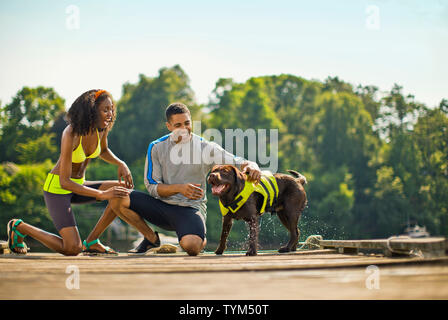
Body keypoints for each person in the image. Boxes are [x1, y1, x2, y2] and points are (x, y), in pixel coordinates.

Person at [110, 102, 261, 256]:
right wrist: (180, 188)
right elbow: (152, 186)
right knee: (117, 197)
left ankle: (198, 236)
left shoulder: (205, 147)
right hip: (160, 206)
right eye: (178, 125)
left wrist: (252, 165)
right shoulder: (156, 147)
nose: (184, 128)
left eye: (187, 123)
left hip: (190, 209)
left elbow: (237, 161)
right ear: (168, 126)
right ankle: (150, 238)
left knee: (192, 247)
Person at [7, 89, 133, 256]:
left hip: (79, 185)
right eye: (105, 110)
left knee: (122, 191)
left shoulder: (101, 130)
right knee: (72, 248)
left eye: (111, 109)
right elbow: (64, 182)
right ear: (92, 111)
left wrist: (121, 163)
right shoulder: (71, 133)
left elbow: (103, 151)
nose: (110, 114)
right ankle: (19, 227)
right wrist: (101, 194)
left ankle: (92, 241)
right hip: (58, 189)